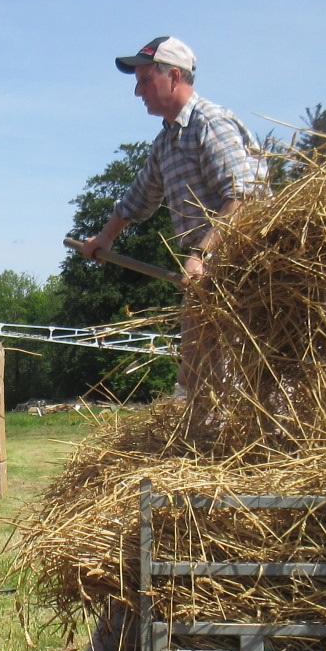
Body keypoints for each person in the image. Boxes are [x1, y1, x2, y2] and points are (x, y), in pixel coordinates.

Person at [73, 36, 266, 393]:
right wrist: (104, 239)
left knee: (239, 375)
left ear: (174, 77)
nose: (137, 92)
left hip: (246, 275)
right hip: (206, 278)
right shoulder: (167, 142)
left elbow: (244, 195)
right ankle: (196, 440)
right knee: (195, 374)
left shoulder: (210, 123)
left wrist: (203, 255)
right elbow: (138, 200)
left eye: (145, 81)